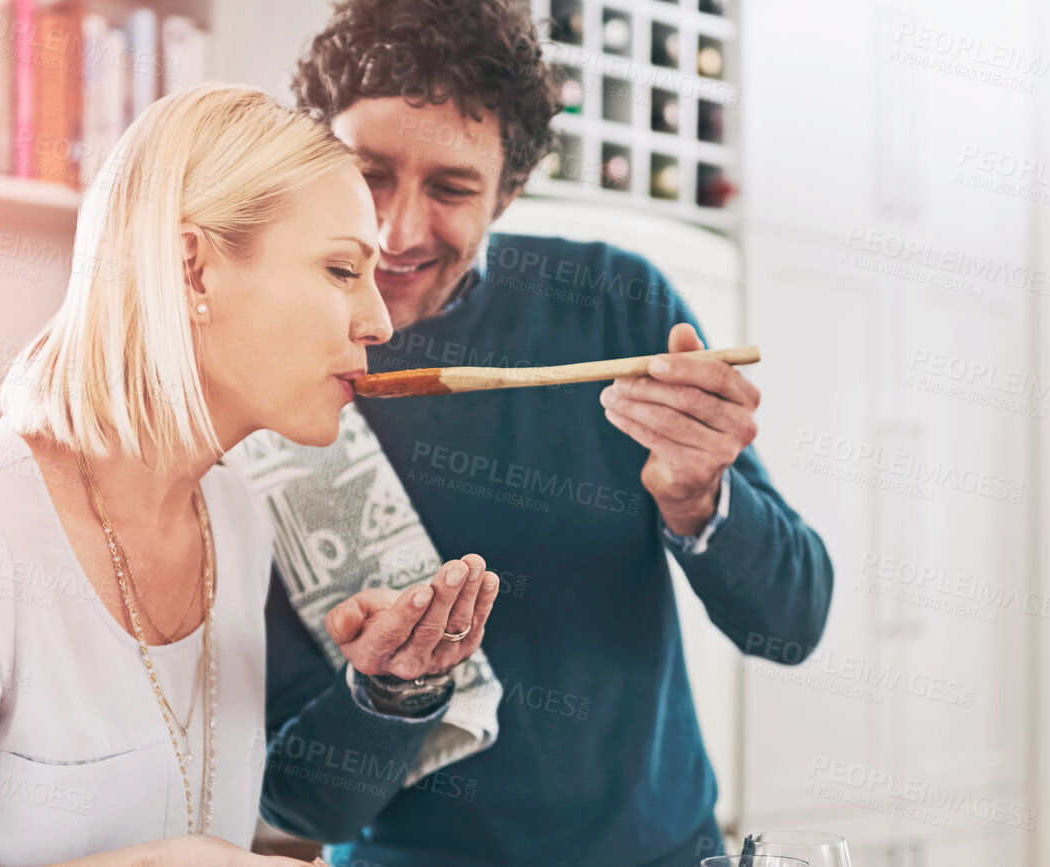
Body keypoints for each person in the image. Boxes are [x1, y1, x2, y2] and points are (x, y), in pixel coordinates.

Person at [0, 84, 502, 867]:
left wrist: (389, 687)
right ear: (193, 269)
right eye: (340, 269)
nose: (379, 321)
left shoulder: (236, 514)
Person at [257, 2, 836, 864]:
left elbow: (792, 623)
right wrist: (393, 691)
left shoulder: (617, 307)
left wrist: (701, 499)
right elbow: (301, 802)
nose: (396, 231)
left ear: (511, 190)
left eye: (450, 188)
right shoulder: (269, 376)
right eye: (368, 174)